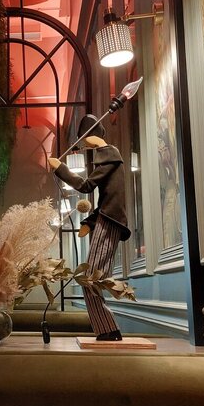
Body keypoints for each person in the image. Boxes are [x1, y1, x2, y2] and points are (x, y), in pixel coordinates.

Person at [48, 114, 130, 341]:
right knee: (90, 278)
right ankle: (107, 329)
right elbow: (109, 199)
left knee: (90, 278)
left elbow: (86, 186)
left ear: (91, 137)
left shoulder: (110, 155)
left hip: (109, 222)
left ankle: (109, 329)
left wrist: (61, 168)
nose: (84, 146)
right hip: (107, 220)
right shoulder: (111, 158)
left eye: (84, 141)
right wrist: (90, 222)